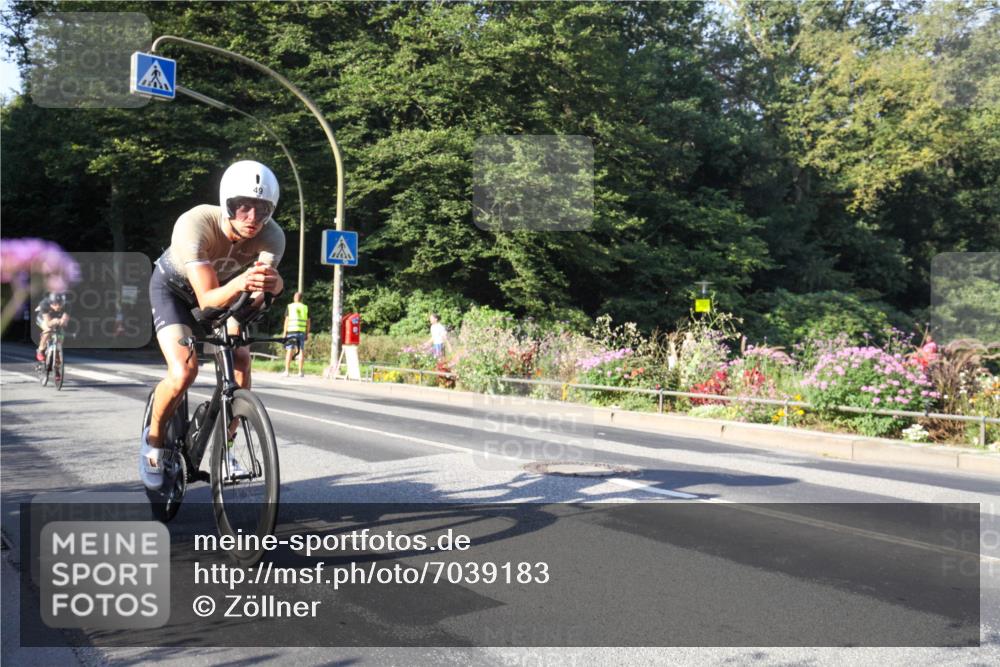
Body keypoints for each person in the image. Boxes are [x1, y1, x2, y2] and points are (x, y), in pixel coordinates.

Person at [142, 160, 285, 490]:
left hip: (228, 295)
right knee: (183, 372)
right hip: (176, 291)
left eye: (261, 210)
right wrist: (244, 283)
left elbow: (256, 297)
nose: (251, 218)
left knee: (241, 362)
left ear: (271, 210)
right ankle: (153, 442)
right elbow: (205, 299)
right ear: (227, 204)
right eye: (242, 207)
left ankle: (227, 447)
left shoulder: (273, 237)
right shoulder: (195, 223)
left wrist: (274, 288)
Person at [35, 293, 70, 380]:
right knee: (48, 330)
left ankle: (57, 369)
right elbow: (48, 323)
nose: (58, 306)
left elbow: (64, 322)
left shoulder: (67, 305)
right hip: (43, 319)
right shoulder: (44, 304)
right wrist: (56, 321)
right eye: (55, 304)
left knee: (60, 340)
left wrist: (63, 321)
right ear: (51, 303)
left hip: (56, 320)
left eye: (60, 304)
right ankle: (41, 350)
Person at [281, 292, 310, 377]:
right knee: (301, 350)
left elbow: (287, 320)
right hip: (301, 332)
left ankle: (287, 371)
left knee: (289, 350)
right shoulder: (305, 307)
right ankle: (300, 372)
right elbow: (308, 322)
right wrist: (307, 333)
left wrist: (284, 333)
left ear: (294, 298)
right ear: (301, 299)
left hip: (291, 331)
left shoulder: (290, 306)